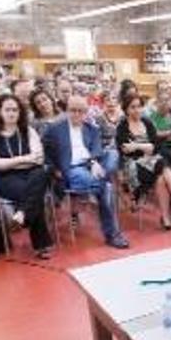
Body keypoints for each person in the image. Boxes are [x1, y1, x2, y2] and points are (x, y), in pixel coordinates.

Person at [42, 95, 129, 249]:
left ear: (86, 112)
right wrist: (54, 169)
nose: (76, 114)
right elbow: (45, 153)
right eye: (73, 110)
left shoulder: (92, 128)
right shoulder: (55, 129)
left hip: (90, 165)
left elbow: (96, 149)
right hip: (71, 168)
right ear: (66, 110)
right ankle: (113, 235)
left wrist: (94, 162)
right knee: (106, 188)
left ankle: (95, 185)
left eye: (80, 111)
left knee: (114, 154)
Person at [0, 95, 53, 259]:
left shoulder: (28, 131)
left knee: (41, 173)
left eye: (15, 110)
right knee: (34, 193)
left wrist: (10, 162)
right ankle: (40, 245)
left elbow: (39, 159)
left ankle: (21, 214)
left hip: (31, 174)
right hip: (5, 179)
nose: (12, 113)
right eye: (7, 109)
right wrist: (23, 159)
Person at [116, 94, 171, 230]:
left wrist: (136, 146)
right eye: (133, 107)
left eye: (139, 106)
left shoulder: (147, 122)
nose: (137, 110)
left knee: (161, 178)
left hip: (152, 162)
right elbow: (125, 150)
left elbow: (155, 146)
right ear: (126, 109)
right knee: (161, 162)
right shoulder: (122, 126)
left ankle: (166, 219)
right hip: (133, 167)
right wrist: (143, 147)